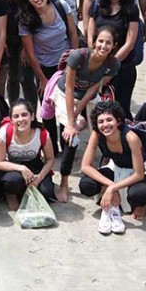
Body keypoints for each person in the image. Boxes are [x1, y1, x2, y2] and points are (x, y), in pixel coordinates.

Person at [49, 27, 121, 202]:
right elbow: (68, 88)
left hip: (88, 96)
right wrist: (71, 121)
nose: (103, 46)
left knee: (106, 127)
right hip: (65, 93)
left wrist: (76, 114)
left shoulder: (113, 65)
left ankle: (107, 170)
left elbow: (93, 90)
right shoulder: (78, 56)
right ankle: (64, 183)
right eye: (101, 41)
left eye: (108, 43)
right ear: (94, 41)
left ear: (114, 46)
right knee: (70, 137)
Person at [79, 100, 146, 234]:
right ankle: (110, 205)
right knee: (86, 184)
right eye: (101, 122)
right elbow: (85, 167)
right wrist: (110, 184)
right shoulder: (97, 134)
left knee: (139, 195)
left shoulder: (131, 138)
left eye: (109, 120)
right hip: (115, 168)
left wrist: (112, 187)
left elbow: (139, 174)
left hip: (138, 172)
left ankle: (139, 204)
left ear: (118, 121)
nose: (105, 125)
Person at [18, 0, 79, 153]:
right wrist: (43, 80)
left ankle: (67, 141)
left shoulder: (60, 5)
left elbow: (73, 33)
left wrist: (75, 61)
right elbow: (30, 53)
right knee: (47, 108)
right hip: (44, 66)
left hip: (66, 64)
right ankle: (51, 146)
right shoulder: (25, 19)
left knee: (68, 104)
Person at [87, 0, 139, 114]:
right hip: (97, 65)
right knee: (98, 109)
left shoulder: (131, 9)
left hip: (123, 66)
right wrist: (95, 55)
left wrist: (110, 64)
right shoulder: (98, 5)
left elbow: (129, 43)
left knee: (121, 110)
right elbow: (90, 30)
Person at [0, 99, 56, 210]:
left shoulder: (42, 133)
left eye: (24, 115)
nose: (20, 119)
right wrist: (22, 168)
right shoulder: (4, 133)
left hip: (35, 165)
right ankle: (10, 194)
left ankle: (24, 190)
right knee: (12, 182)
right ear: (11, 120)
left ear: (32, 116)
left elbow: (50, 159)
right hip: (13, 167)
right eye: (16, 116)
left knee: (47, 193)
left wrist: (39, 178)